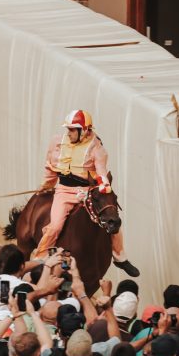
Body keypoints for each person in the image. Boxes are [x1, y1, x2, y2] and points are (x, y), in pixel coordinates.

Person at [32, 109, 139, 276]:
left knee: (112, 220)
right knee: (54, 226)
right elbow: (50, 167)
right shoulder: (57, 142)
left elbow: (101, 172)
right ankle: (39, 258)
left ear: (85, 130)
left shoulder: (97, 148)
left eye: (72, 129)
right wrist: (45, 185)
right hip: (64, 192)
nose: (69, 133)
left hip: (88, 191)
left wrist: (104, 186)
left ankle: (120, 257)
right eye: (68, 129)